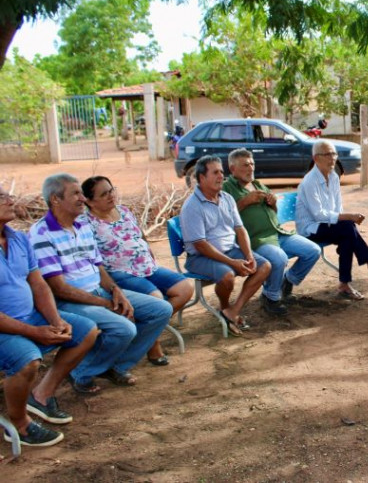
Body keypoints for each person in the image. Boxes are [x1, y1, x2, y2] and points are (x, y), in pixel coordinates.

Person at [28, 174, 173, 391]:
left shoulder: (82, 226)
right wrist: (106, 304)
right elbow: (58, 288)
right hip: (69, 301)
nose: (82, 198)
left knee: (160, 309)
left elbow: (99, 267)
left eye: (81, 193)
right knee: (124, 328)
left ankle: (115, 365)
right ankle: (81, 372)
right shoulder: (41, 234)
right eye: (75, 194)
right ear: (55, 199)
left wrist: (116, 292)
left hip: (97, 292)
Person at [0, 186, 98, 447]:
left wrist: (55, 319)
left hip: (29, 317)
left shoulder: (18, 239)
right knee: (27, 360)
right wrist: (33, 332)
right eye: (1, 197)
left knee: (86, 330)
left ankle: (40, 395)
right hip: (5, 328)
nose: (10, 200)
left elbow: (39, 285)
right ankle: (19, 425)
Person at [82, 176, 193, 365]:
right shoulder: (87, 223)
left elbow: (139, 234)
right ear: (90, 201)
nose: (111, 195)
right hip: (120, 272)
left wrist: (147, 251)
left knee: (185, 289)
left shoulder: (124, 211)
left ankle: (145, 333)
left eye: (111, 190)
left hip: (147, 266)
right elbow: (93, 259)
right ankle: (153, 346)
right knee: (157, 299)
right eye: (104, 194)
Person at [295, 140, 368, 300]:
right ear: (316, 158)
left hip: (329, 226)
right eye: (327, 154)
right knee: (348, 228)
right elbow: (318, 215)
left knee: (347, 233)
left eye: (334, 154)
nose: (333, 158)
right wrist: (349, 217)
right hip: (311, 229)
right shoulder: (309, 181)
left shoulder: (334, 177)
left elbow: (338, 209)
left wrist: (346, 219)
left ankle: (346, 284)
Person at [179, 155, 271, 335]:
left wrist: (249, 256)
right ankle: (224, 306)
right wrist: (233, 262)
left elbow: (240, 229)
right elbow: (201, 245)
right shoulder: (192, 206)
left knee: (264, 266)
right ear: (202, 178)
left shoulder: (227, 198)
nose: (221, 176)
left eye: (222, 171)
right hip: (200, 257)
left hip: (230, 251)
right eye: (215, 172)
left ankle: (232, 311)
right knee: (227, 275)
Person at [222, 149, 321, 316]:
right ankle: (271, 297)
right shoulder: (227, 188)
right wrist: (245, 202)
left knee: (313, 251)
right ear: (232, 169)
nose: (251, 168)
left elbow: (273, 212)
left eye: (252, 164)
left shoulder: (258, 184)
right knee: (279, 258)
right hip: (257, 239)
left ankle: (287, 282)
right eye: (245, 165)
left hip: (278, 232)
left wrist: (273, 203)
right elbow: (224, 218)